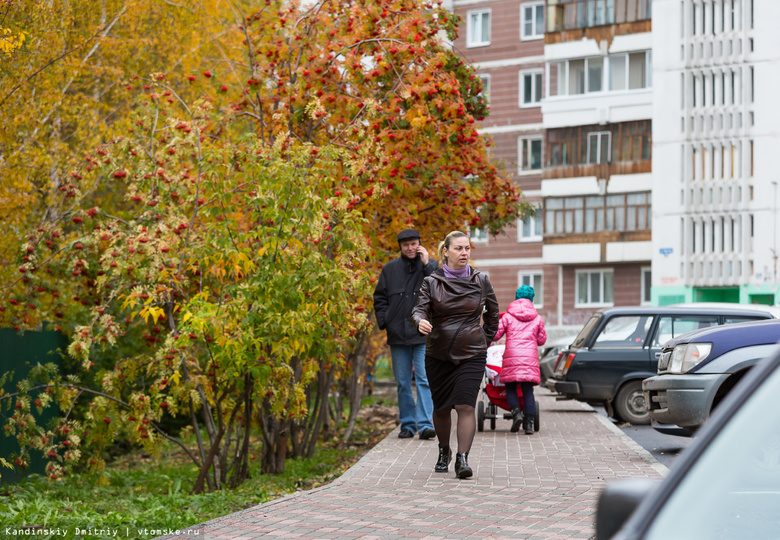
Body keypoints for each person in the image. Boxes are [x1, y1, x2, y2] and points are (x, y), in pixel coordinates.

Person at [411, 231, 499, 479]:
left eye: (467, 248)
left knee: (465, 405)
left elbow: (493, 315)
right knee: (441, 409)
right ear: (445, 252)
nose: (464, 253)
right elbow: (419, 309)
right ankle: (444, 451)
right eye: (458, 248)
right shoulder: (432, 282)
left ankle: (462, 459)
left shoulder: (481, 280)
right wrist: (420, 322)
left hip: (472, 354)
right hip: (438, 354)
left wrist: (483, 341)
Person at [373, 229, 438, 440]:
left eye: (413, 244)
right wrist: (386, 321)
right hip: (398, 334)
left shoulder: (431, 267)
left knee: (424, 379)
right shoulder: (390, 269)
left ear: (420, 244)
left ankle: (425, 424)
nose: (410, 248)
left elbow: (439, 288)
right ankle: (408, 424)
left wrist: (427, 264)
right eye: (406, 245)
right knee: (402, 382)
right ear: (400, 247)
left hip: (423, 333)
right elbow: (380, 298)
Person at [492, 284, 547, 434]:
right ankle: (528, 424)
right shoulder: (537, 318)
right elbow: (542, 340)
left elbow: (496, 335)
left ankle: (516, 414)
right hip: (529, 358)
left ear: (516, 298)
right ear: (531, 300)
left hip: (512, 357)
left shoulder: (508, 316)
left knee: (510, 388)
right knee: (527, 390)